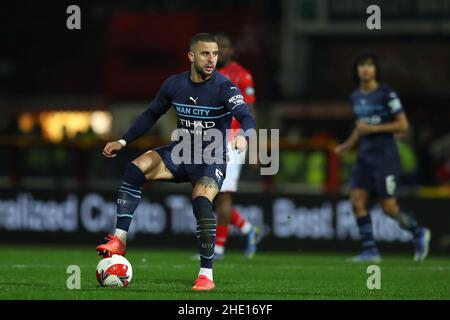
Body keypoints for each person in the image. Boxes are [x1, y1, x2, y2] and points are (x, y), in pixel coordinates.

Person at [96, 33, 256, 291]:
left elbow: (246, 116)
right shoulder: (174, 84)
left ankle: (206, 275)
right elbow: (151, 114)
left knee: (201, 202)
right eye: (205, 54)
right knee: (136, 168)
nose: (211, 59)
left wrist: (245, 138)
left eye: (215, 54)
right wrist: (123, 141)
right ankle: (119, 239)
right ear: (191, 56)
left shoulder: (225, 87)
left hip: (211, 158)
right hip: (180, 153)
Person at [334, 52, 431, 263]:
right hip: (364, 158)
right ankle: (370, 250)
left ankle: (418, 232)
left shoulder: (387, 94)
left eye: (369, 65)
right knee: (357, 201)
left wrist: (374, 128)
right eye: (361, 65)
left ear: (376, 69)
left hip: (385, 157)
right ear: (357, 70)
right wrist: (347, 145)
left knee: (389, 208)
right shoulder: (356, 97)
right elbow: (360, 127)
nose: (365, 69)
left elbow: (403, 125)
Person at [213, 32, 262, 260]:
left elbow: (250, 112)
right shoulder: (208, 74)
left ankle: (218, 249)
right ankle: (247, 229)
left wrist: (254, 146)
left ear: (232, 50)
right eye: (216, 47)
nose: (220, 50)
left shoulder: (242, 75)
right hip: (209, 139)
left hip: (233, 139)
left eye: (224, 46)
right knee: (209, 193)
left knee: (223, 195)